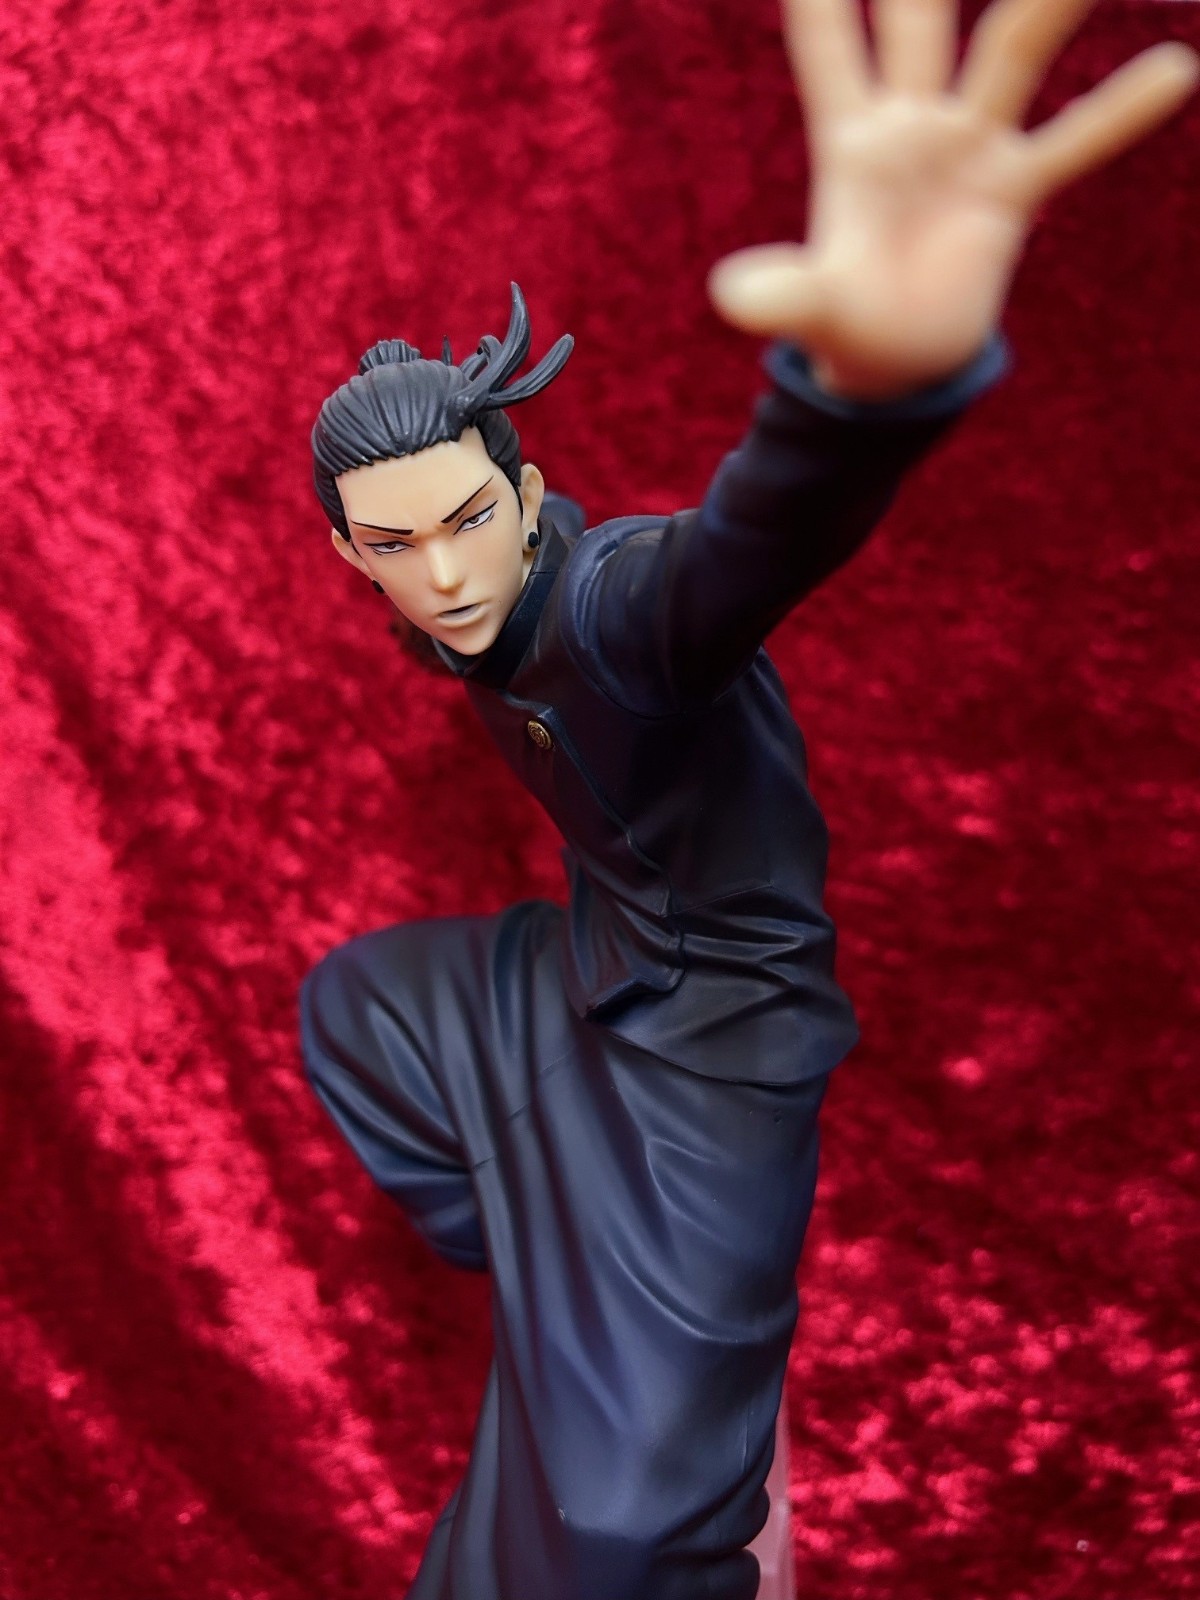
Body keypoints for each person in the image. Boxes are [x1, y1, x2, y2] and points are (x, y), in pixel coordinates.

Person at [299, 2, 1197, 1596]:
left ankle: (635, 1364)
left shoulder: (619, 613)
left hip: (724, 1048)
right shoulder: (454, 616)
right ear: (352, 554)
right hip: (590, 984)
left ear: (525, 495)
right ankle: (574, 1283)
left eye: (466, 523)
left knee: (631, 1531)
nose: (440, 577)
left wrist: (862, 395)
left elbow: (747, 545)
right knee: (362, 1010)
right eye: (393, 548)